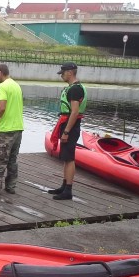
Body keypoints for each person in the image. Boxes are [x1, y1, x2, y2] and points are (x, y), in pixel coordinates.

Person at [48, 62, 87, 200]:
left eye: (63, 73)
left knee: (69, 158)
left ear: (70, 72)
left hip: (71, 126)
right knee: (65, 157)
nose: (62, 76)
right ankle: (64, 186)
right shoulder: (73, 87)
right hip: (67, 124)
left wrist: (66, 132)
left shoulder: (75, 89)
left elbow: (75, 112)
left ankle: (68, 190)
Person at [0, 64, 24, 194]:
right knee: (13, 159)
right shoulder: (16, 85)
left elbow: (2, 107)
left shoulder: (2, 86)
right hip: (18, 128)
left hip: (6, 131)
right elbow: (12, 108)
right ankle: (11, 186)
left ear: (0, 73)